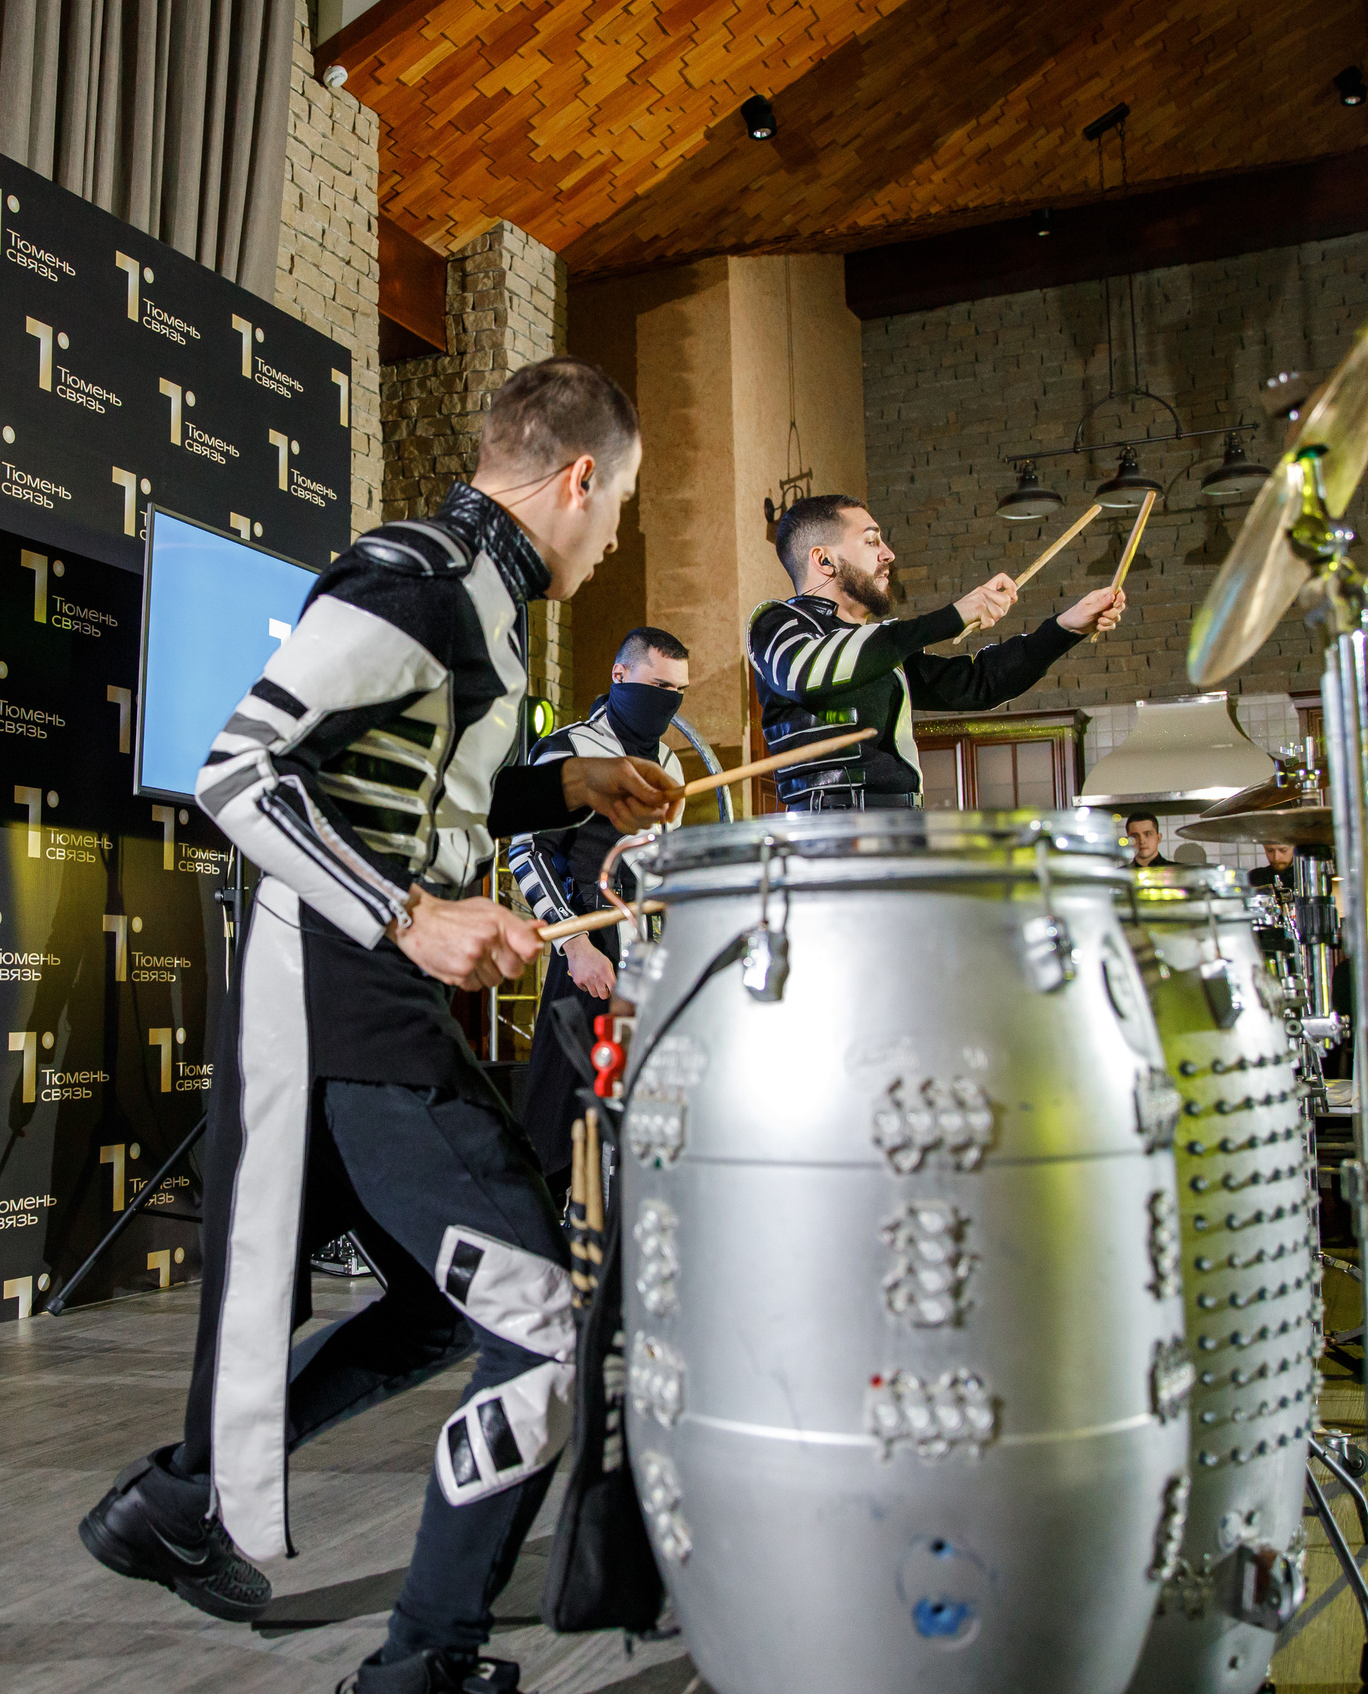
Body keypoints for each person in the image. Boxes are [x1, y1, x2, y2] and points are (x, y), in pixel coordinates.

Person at [76, 358, 681, 1694]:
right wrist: (412, 916)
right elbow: (241, 768)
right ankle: (424, 1663)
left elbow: (411, 791)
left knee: (427, 1311)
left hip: (373, 1008)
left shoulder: (485, 596)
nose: (619, 529)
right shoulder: (418, 579)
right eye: (624, 501)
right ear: (577, 477)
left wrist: (563, 780)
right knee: (544, 1317)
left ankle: (183, 1501)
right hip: (347, 1010)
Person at [747, 494, 1127, 810]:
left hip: (897, 826)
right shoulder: (777, 623)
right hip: (828, 836)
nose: (888, 554)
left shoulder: (876, 648)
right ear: (824, 559)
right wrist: (955, 615)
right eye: (871, 541)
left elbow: (979, 683)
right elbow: (805, 672)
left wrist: (1065, 628)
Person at [505, 627, 689, 1192]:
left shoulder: (672, 767)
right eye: (658, 685)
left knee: (643, 1106)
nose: (669, 699)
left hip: (648, 953)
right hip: (588, 943)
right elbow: (526, 848)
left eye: (679, 689)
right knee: (563, 1110)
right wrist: (576, 945)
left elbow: (662, 869)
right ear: (620, 676)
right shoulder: (568, 748)